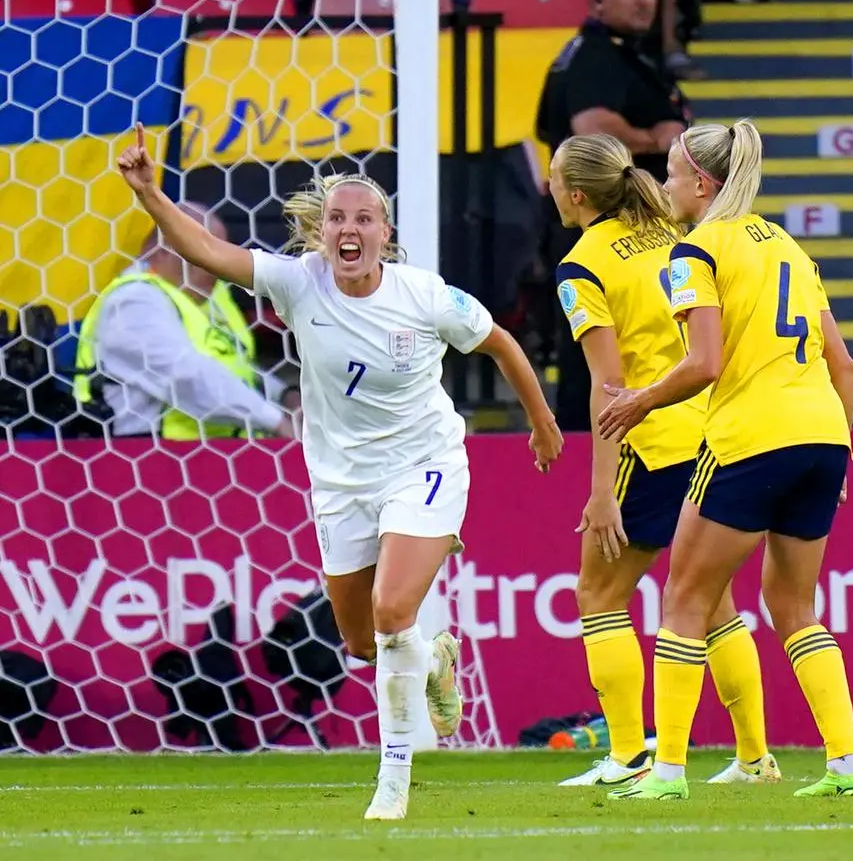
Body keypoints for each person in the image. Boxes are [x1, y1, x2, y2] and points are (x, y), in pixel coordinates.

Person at [115, 123, 564, 820]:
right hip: (342, 482)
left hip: (425, 465)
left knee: (390, 611)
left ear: (385, 231)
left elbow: (501, 342)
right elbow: (204, 248)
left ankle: (392, 780)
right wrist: (149, 193)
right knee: (361, 641)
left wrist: (540, 423)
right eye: (336, 219)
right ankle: (436, 658)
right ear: (321, 232)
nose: (348, 229)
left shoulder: (424, 295)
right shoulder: (300, 284)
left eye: (363, 218)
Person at [597, 119, 853, 801]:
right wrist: (843, 454)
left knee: (683, 599)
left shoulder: (696, 252)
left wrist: (640, 402)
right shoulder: (788, 246)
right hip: (823, 436)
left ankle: (667, 774)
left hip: (752, 437)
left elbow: (704, 363)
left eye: (672, 173)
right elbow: (846, 365)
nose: (662, 185)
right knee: (794, 605)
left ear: (702, 184)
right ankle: (844, 766)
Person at [550, 133, 779, 789]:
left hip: (649, 442)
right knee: (713, 603)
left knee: (598, 594)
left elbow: (608, 384)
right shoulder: (674, 236)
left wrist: (601, 491)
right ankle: (754, 756)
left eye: (554, 176)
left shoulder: (583, 263)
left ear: (576, 195)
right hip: (711, 432)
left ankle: (627, 755)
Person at [534, 0, 690, 432]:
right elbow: (591, 127)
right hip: (596, 224)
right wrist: (657, 138)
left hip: (611, 224)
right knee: (597, 349)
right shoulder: (598, 56)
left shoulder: (624, 52)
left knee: (616, 342)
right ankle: (592, 453)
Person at [73, 202, 294, 441]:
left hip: (220, 452)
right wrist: (276, 420)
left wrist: (284, 395)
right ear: (165, 249)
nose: (218, 266)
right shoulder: (133, 301)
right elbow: (186, 376)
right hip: (153, 458)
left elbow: (236, 367)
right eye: (205, 252)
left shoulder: (207, 296)